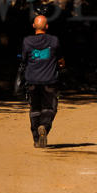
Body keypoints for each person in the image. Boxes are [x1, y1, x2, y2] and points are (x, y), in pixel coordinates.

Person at [20, 15, 64, 148]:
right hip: (49, 81)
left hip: (32, 80)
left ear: (33, 26)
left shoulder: (27, 41)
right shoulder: (54, 40)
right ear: (46, 26)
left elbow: (24, 60)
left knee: (34, 109)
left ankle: (36, 139)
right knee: (49, 108)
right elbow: (61, 61)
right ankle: (44, 126)